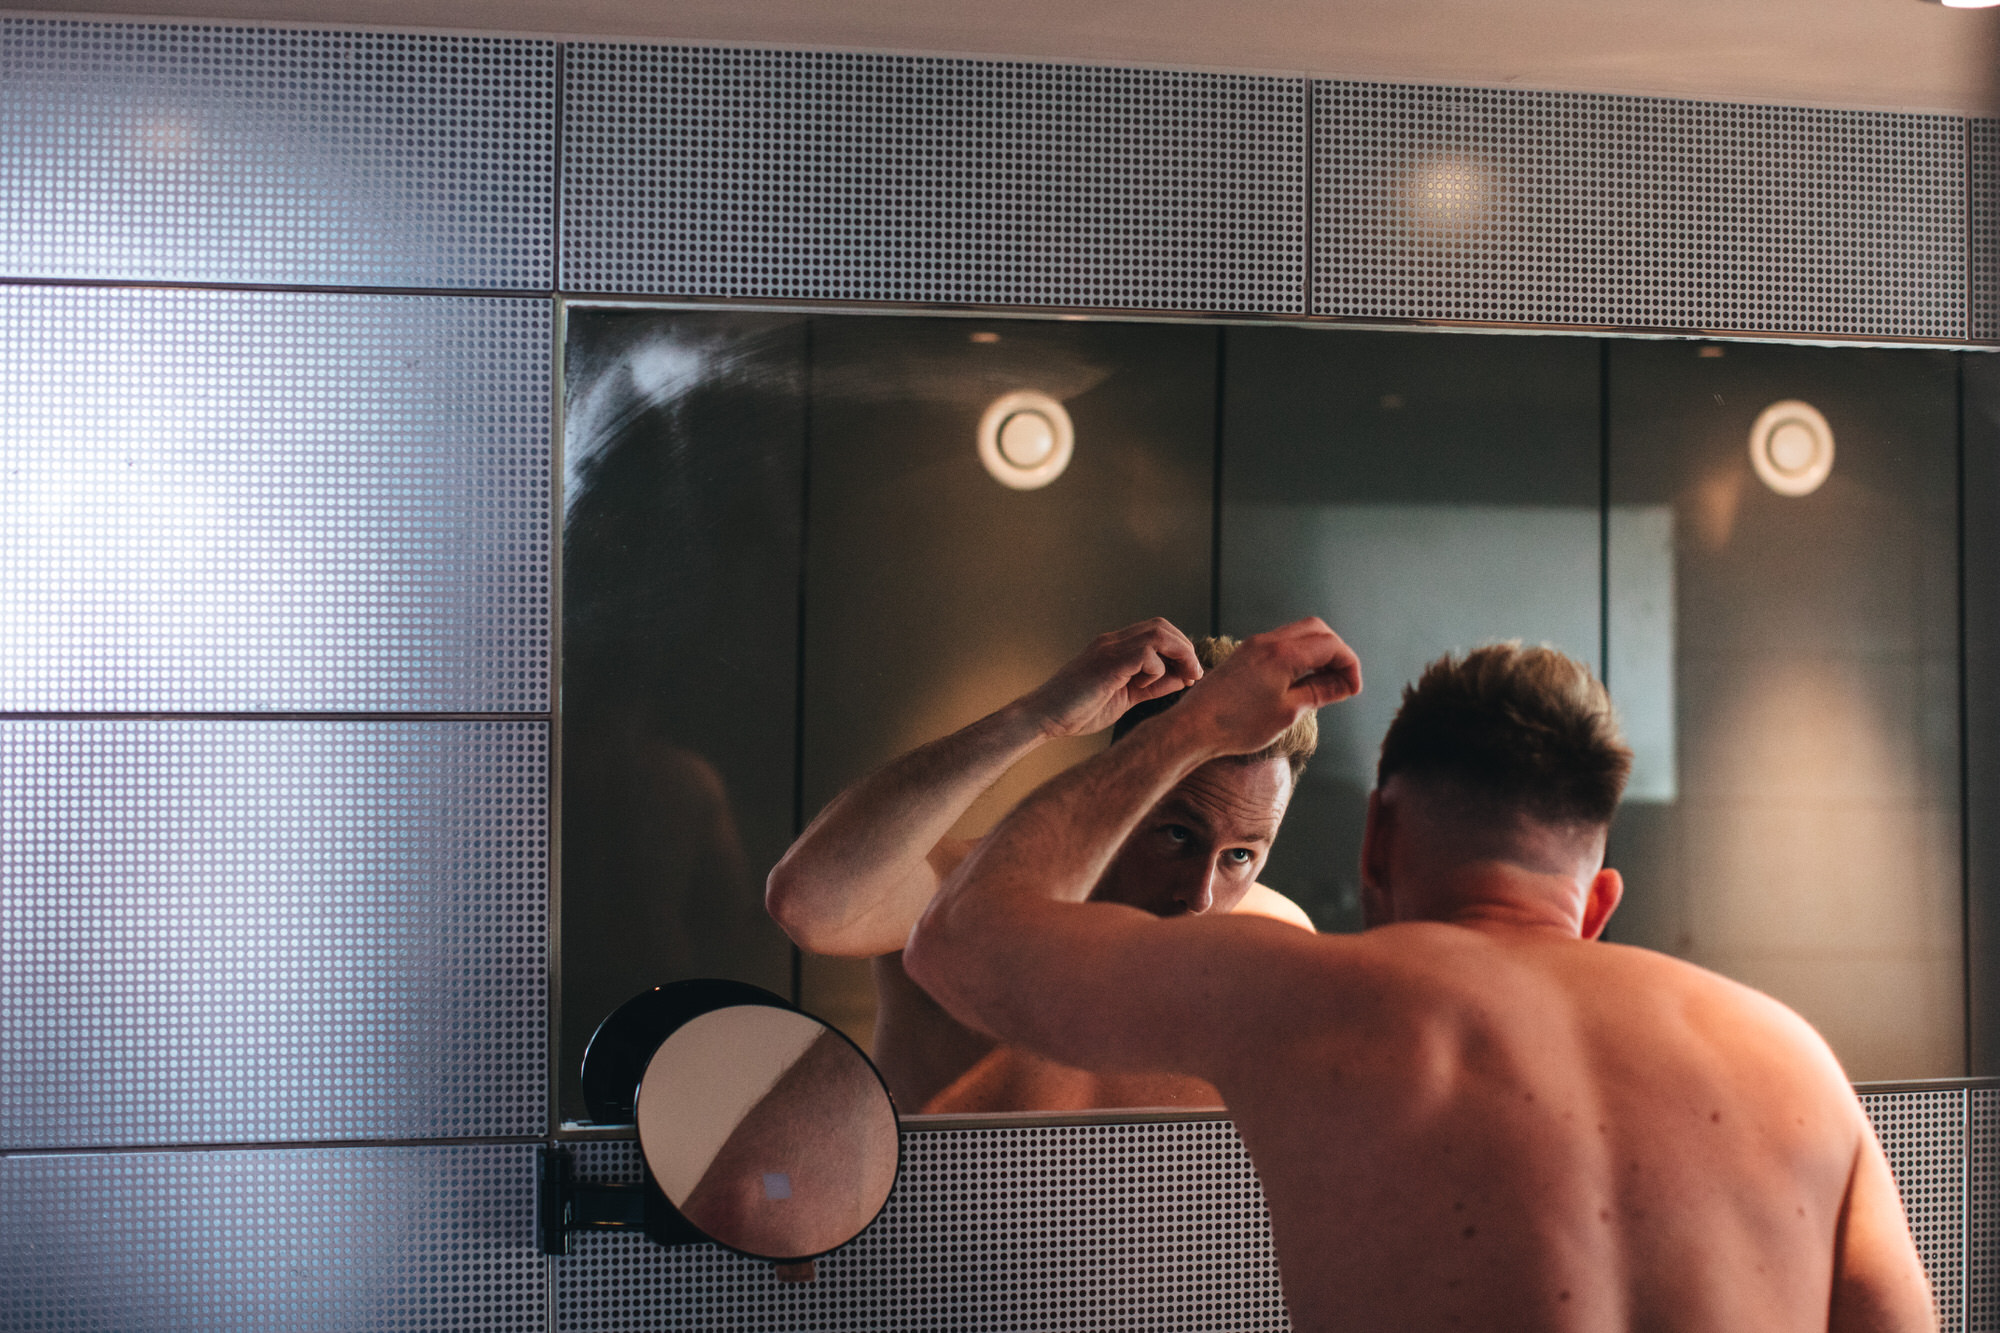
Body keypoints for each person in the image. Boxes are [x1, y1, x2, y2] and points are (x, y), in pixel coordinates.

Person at [904, 619, 1935, 1332]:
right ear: (1597, 902)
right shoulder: (1793, 1059)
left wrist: (1190, 731)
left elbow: (958, 939)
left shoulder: (1305, 999)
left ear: (1377, 846)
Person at [765, 617, 1319, 1115]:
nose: (1199, 895)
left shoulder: (1275, 941)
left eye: (1240, 855)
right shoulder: (974, 905)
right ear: (1117, 791)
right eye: (1177, 835)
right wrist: (1035, 717)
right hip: (946, 1228)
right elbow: (808, 903)